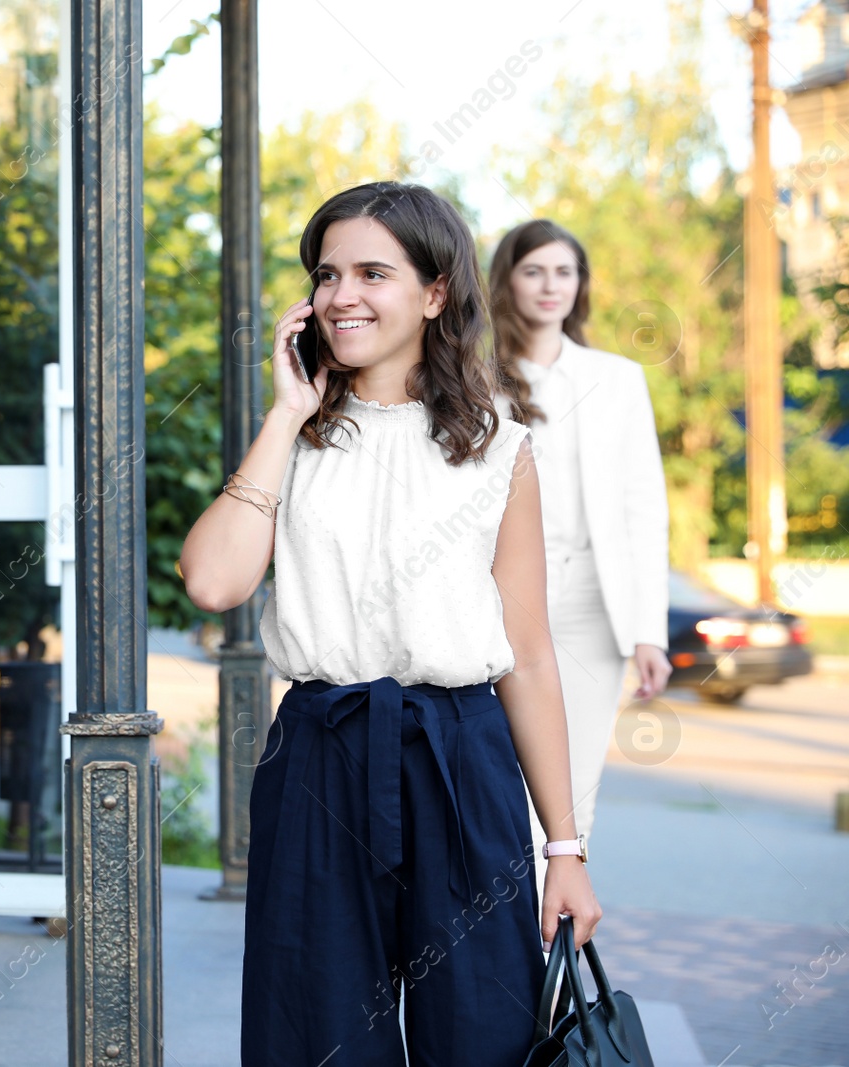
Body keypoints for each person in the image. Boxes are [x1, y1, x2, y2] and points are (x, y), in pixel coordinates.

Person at [180, 182, 601, 1066]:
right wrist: (287, 412)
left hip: (462, 756)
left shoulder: (499, 447)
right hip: (322, 754)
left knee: (483, 1032)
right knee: (317, 1031)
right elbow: (214, 581)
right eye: (327, 274)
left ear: (436, 292)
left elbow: (527, 652)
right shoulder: (291, 436)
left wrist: (566, 847)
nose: (342, 296)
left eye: (374, 272)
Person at [487, 220, 671, 894]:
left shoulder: (617, 379)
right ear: (507, 278)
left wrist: (649, 629)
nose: (550, 285)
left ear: (580, 286)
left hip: (597, 601)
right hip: (506, 601)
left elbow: (642, 506)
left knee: (574, 790)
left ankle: (551, 952)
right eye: (534, 269)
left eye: (565, 272)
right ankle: (501, 934)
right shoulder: (479, 377)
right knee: (505, 772)